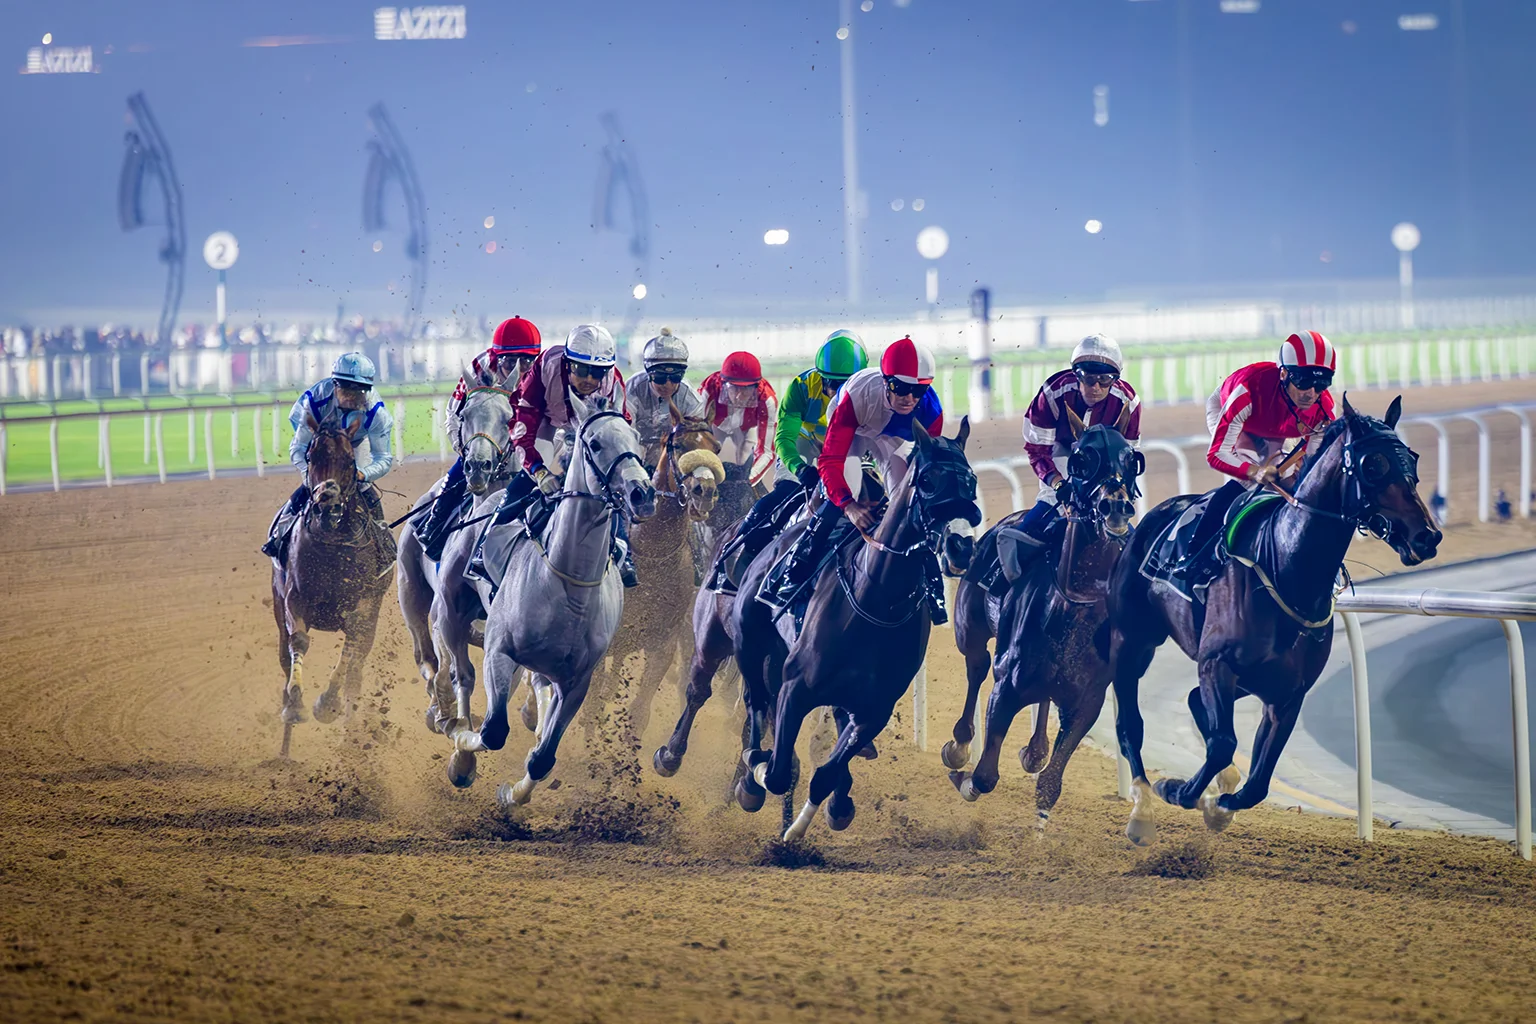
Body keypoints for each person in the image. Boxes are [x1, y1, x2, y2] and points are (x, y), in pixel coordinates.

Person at [762, 336, 949, 623]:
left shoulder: (931, 409)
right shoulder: (856, 395)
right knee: (838, 496)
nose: (909, 399)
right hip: (852, 426)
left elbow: (927, 468)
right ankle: (795, 571)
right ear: (887, 381)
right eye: (901, 388)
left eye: (918, 391)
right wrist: (849, 505)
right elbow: (830, 461)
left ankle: (932, 583)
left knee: (911, 503)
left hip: (891, 438)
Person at [477, 323, 639, 586]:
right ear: (567, 363)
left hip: (587, 426)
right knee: (529, 478)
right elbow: (522, 430)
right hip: (546, 421)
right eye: (582, 370)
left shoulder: (613, 384)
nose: (589, 379)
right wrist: (538, 471)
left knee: (607, 481)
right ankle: (486, 543)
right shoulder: (545, 369)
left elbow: (620, 434)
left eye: (597, 373)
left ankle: (625, 554)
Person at [705, 329, 867, 590]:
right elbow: (784, 440)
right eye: (830, 383)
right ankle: (736, 558)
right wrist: (799, 469)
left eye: (844, 384)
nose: (835, 391)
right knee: (787, 494)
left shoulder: (870, 390)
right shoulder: (801, 387)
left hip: (850, 448)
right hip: (806, 444)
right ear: (818, 374)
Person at [990, 334, 1141, 586]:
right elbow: (1037, 450)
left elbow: (1127, 458)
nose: (1095, 387)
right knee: (1050, 506)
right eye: (1088, 378)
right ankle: (997, 580)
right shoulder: (1052, 393)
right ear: (1076, 374)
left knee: (1124, 529)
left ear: (1115, 380)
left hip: (1103, 460)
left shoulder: (1129, 403)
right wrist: (1060, 485)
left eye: (1104, 380)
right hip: (1059, 451)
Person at [1185, 330, 1338, 561]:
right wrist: (1255, 472)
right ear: (1284, 373)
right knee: (1245, 478)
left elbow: (1312, 466)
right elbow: (1217, 454)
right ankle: (1194, 554)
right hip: (1236, 415)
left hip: (1275, 428)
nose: (1311, 393)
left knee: (1292, 483)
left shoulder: (1324, 408)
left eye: (1321, 383)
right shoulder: (1248, 390)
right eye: (1304, 381)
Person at [414, 316, 542, 560]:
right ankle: (436, 519)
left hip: (524, 435)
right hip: (485, 433)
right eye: (510, 361)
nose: (519, 368)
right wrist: (461, 447)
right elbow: (453, 411)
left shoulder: (541, 374)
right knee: (467, 464)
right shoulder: (479, 368)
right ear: (497, 357)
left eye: (526, 360)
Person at [261, 352, 395, 559]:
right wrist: (309, 475)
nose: (352, 396)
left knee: (363, 487)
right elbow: (298, 447)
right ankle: (279, 535)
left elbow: (384, 458)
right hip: (320, 438)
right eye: (346, 389)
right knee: (311, 485)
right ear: (335, 385)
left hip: (356, 443)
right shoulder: (314, 401)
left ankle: (383, 540)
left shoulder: (376, 413)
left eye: (359, 391)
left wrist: (363, 474)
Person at [624, 327, 708, 460]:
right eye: (660, 378)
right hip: (635, 449)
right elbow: (625, 435)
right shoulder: (632, 389)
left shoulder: (691, 400)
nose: (668, 385)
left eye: (675, 378)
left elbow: (694, 442)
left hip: (673, 454)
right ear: (648, 373)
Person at [700, 351, 777, 479]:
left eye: (746, 389)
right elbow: (696, 433)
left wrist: (747, 480)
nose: (739, 396)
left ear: (756, 387)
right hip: (715, 425)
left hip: (746, 427)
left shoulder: (767, 399)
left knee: (746, 458)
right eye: (734, 388)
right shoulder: (709, 388)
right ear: (723, 384)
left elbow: (766, 451)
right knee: (708, 453)